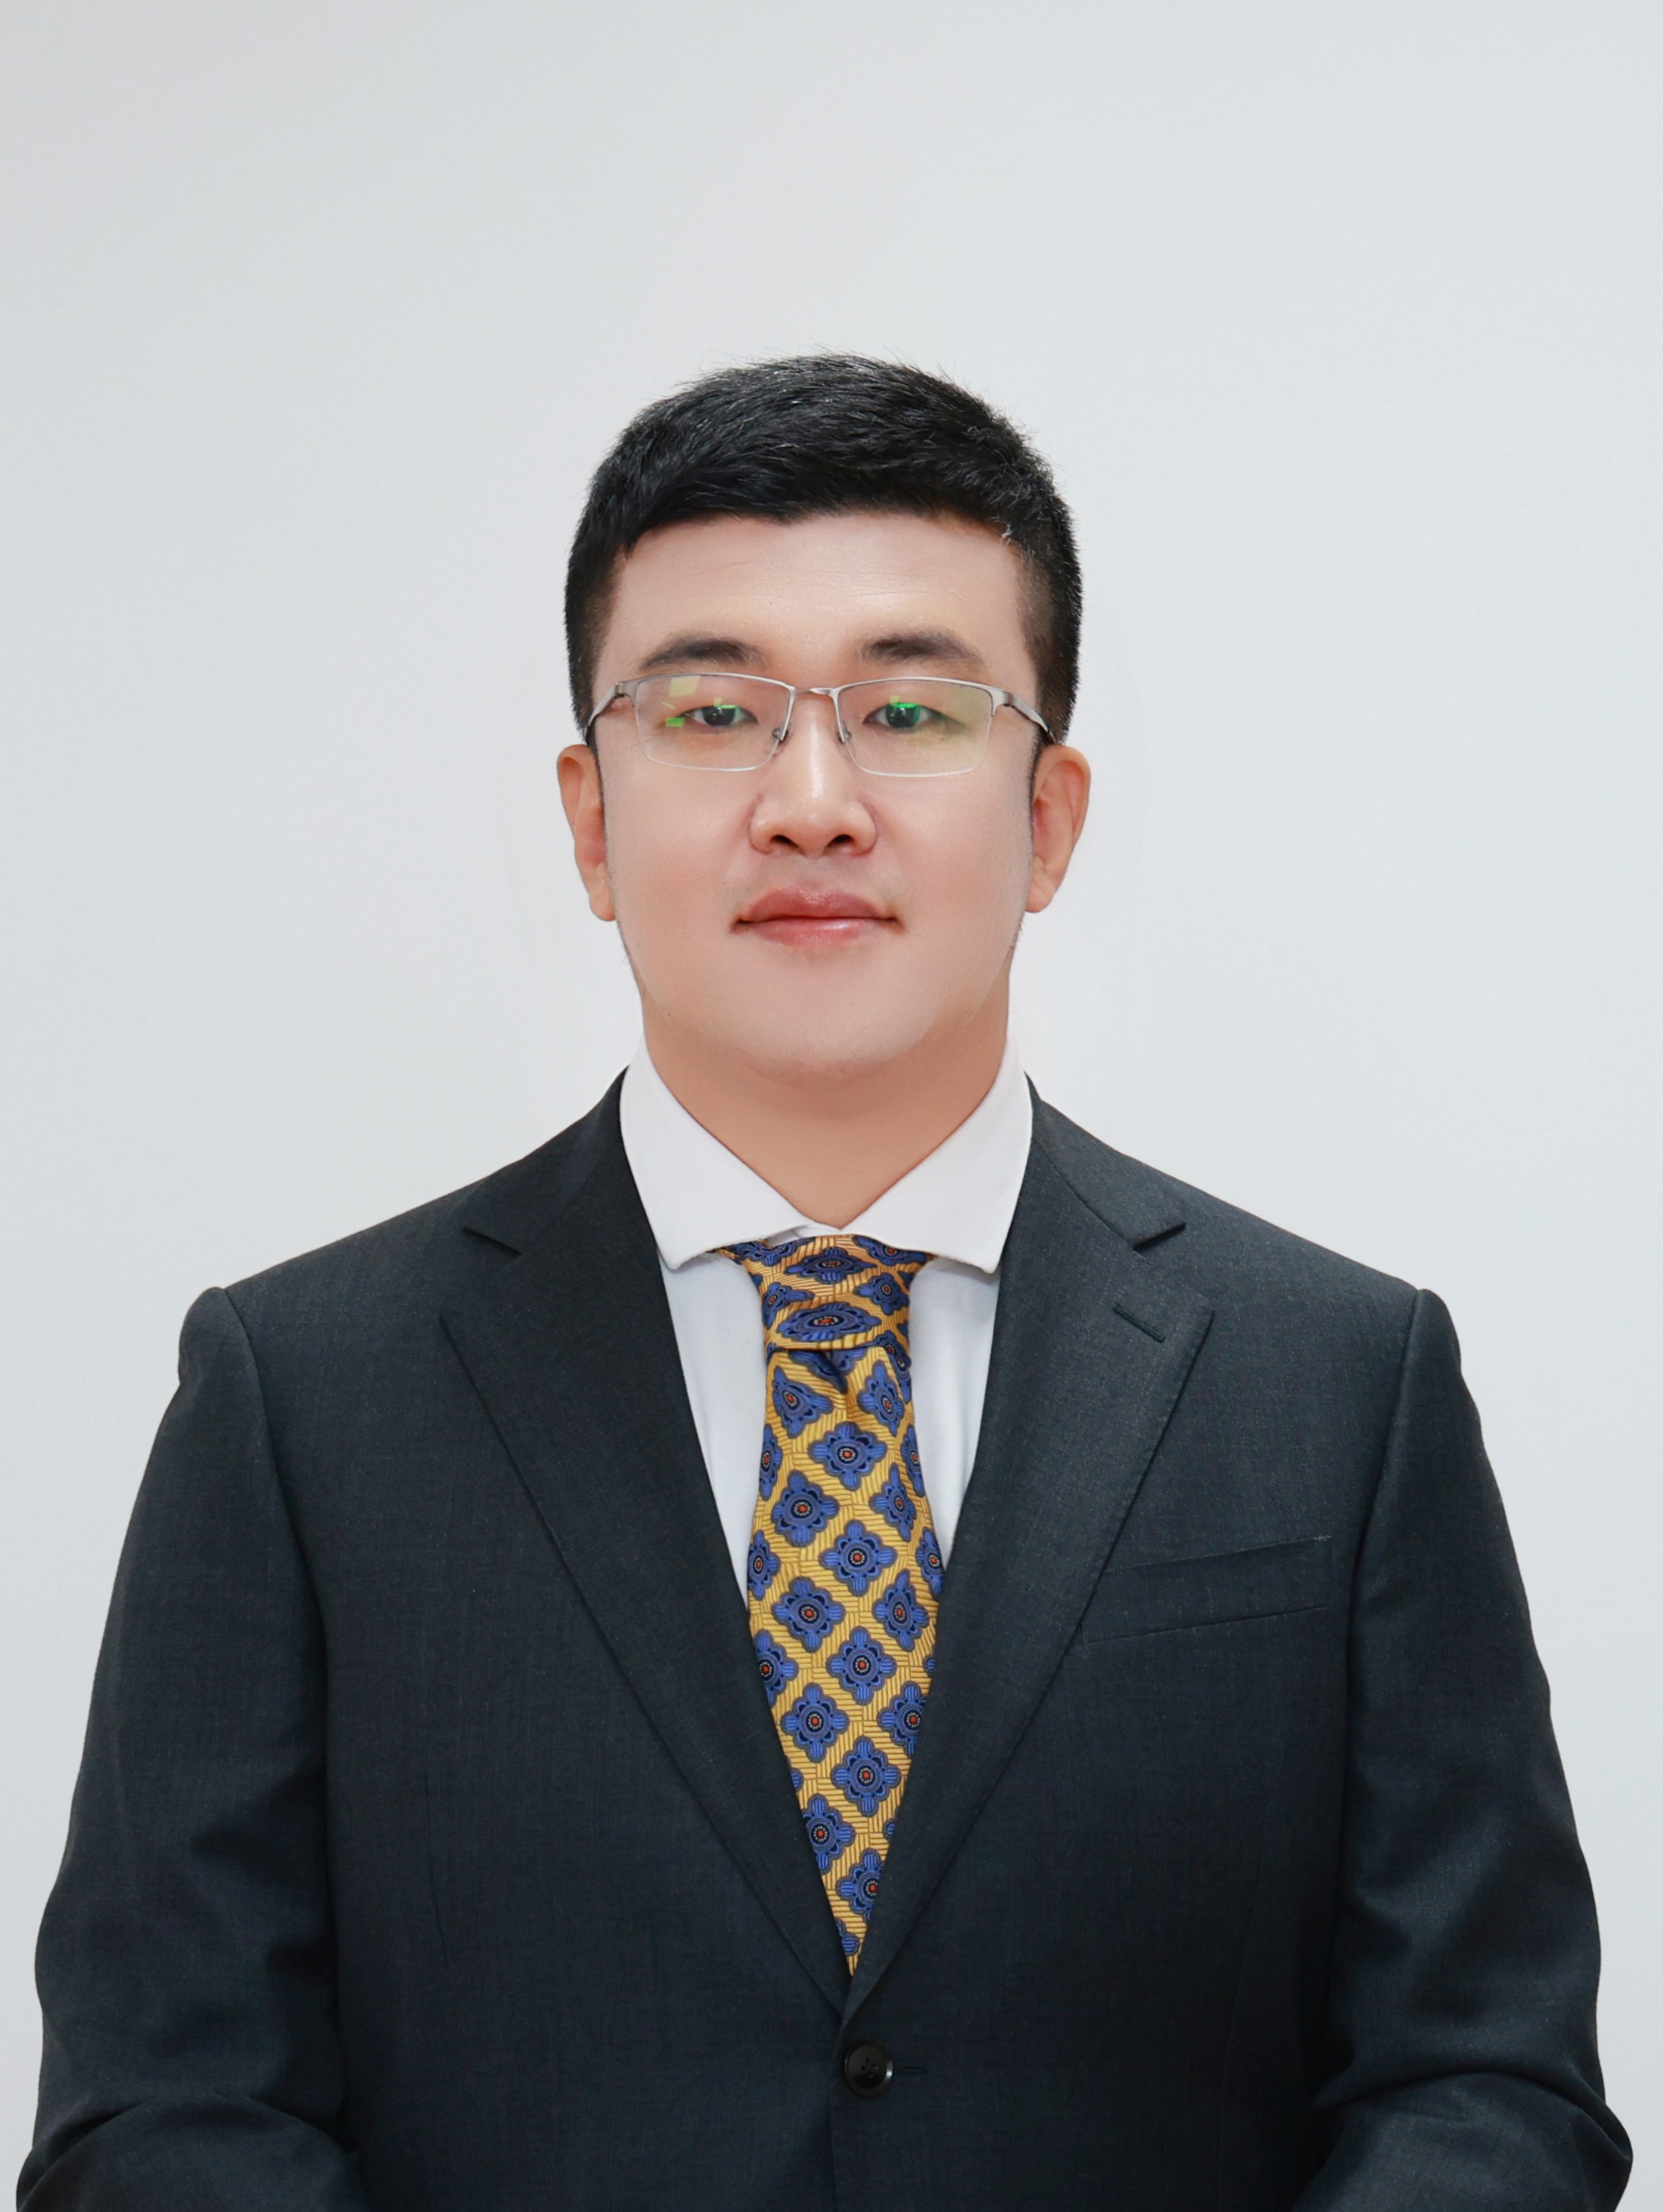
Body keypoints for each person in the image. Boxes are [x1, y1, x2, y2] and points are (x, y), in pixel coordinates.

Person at [23, 356, 1629, 2212]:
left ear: (1048, 818)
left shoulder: (1337, 1382)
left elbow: (1483, 2077)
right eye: (711, 711)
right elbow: (163, 2110)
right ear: (587, 819)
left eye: (911, 709)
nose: (808, 802)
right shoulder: (303, 1398)